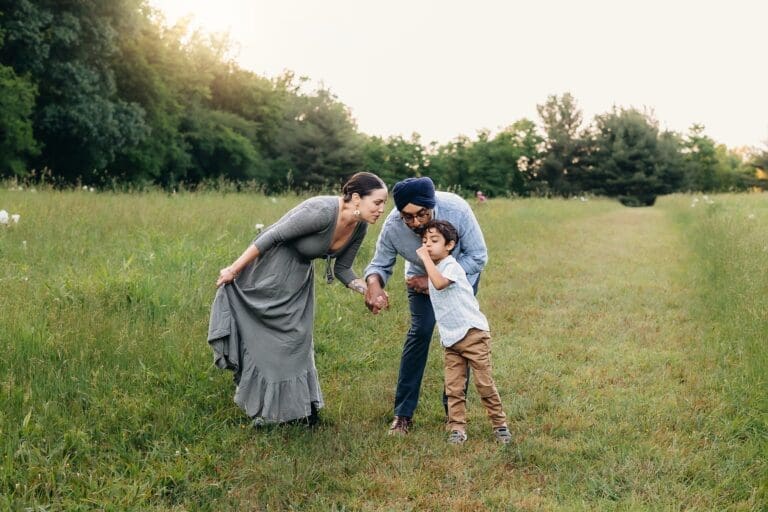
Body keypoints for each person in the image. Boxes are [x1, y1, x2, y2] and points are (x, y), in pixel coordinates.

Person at [208, 172, 388, 426]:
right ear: (357, 198)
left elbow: (343, 269)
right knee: (268, 345)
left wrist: (368, 290)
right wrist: (234, 269)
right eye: (378, 202)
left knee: (297, 341)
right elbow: (271, 236)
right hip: (268, 274)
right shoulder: (322, 211)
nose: (381, 209)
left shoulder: (359, 227)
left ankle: (300, 410)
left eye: (384, 204)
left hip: (298, 282)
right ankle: (268, 412)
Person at [363, 176, 488, 435]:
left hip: (458, 279)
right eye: (408, 217)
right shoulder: (393, 227)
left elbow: (477, 256)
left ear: (432, 205)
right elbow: (379, 265)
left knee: (460, 339)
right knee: (419, 333)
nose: (416, 223)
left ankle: (454, 416)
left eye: (422, 214)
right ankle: (403, 415)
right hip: (418, 280)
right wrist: (374, 285)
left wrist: (434, 280)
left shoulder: (457, 209)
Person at [415, 220, 511, 445]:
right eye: (424, 241)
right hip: (450, 338)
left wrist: (426, 260)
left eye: (434, 241)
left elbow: (439, 285)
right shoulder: (436, 268)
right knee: (453, 387)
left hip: (473, 334)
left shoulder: (451, 266)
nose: (427, 245)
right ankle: (457, 428)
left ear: (449, 245)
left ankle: (500, 425)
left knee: (484, 383)